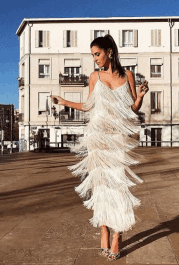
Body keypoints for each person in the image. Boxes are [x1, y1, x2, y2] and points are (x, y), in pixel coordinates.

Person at [51, 34, 149, 261]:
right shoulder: (94, 77)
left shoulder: (128, 76)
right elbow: (88, 106)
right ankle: (104, 227)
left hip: (118, 139)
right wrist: (64, 102)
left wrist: (141, 96)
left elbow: (132, 109)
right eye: (93, 55)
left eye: (97, 54)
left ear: (109, 52)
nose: (95, 59)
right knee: (102, 187)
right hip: (98, 138)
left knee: (119, 186)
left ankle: (118, 233)